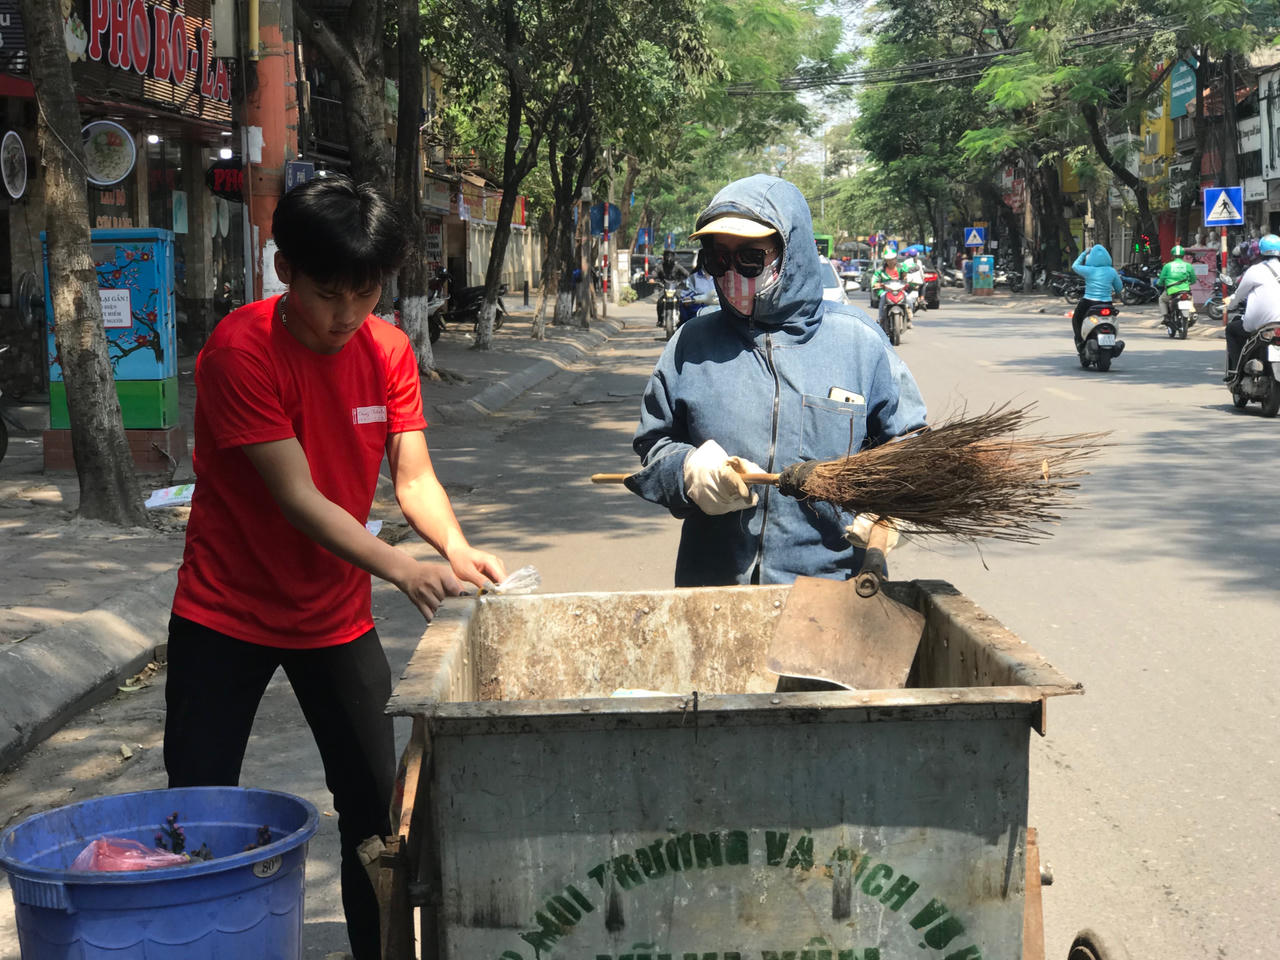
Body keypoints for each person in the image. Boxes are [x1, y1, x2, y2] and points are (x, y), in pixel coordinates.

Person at [164, 176, 506, 960]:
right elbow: (297, 497)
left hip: (334, 618)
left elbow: (412, 477)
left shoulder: (386, 348)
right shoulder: (240, 350)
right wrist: (402, 567)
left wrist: (454, 548)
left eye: (366, 293)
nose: (345, 315)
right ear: (284, 269)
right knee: (198, 804)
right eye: (327, 294)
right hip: (225, 613)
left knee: (375, 816)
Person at [624, 174, 927, 587]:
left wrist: (894, 508)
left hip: (831, 596)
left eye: (749, 258)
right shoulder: (690, 345)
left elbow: (911, 448)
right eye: (718, 259)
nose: (732, 273)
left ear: (792, 252)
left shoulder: (860, 343)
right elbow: (654, 446)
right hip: (712, 592)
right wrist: (688, 472)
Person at [1223, 233, 1280, 381]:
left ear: (1259, 251)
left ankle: (1236, 371)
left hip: (1259, 324)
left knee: (1231, 330)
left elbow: (1239, 295)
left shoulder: (1255, 270)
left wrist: (1230, 305)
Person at [1070, 244, 1123, 352]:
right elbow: (1119, 288)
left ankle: (1080, 341)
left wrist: (1085, 252)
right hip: (1107, 303)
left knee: (1077, 318)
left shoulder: (1089, 270)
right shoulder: (1112, 271)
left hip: (1089, 302)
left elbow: (1075, 266)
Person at [871, 248, 914, 332]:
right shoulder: (880, 270)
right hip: (885, 291)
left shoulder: (902, 267)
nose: (891, 262)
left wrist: (907, 280)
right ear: (886, 260)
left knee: (909, 299)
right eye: (888, 260)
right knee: (883, 299)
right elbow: (874, 280)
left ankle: (909, 319)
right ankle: (881, 319)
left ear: (895, 259)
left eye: (892, 259)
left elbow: (906, 276)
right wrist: (876, 284)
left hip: (899, 291)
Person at [1155, 244, 1197, 325]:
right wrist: (1188, 283)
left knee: (1162, 300)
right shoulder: (1188, 265)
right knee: (1190, 299)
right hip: (1185, 291)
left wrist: (1159, 283)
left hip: (1171, 291)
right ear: (1183, 255)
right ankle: (1192, 312)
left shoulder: (1167, 266)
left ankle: (1166, 317)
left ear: (1172, 255)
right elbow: (1193, 279)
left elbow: (1162, 279)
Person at [652, 248, 690, 327]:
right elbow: (654, 274)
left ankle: (682, 319)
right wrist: (653, 278)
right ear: (664, 256)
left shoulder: (677, 267)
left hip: (676, 287)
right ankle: (660, 319)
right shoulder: (660, 267)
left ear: (674, 256)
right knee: (660, 301)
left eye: (671, 255)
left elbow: (687, 274)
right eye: (667, 255)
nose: (669, 257)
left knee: (682, 301)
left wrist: (684, 280)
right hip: (664, 287)